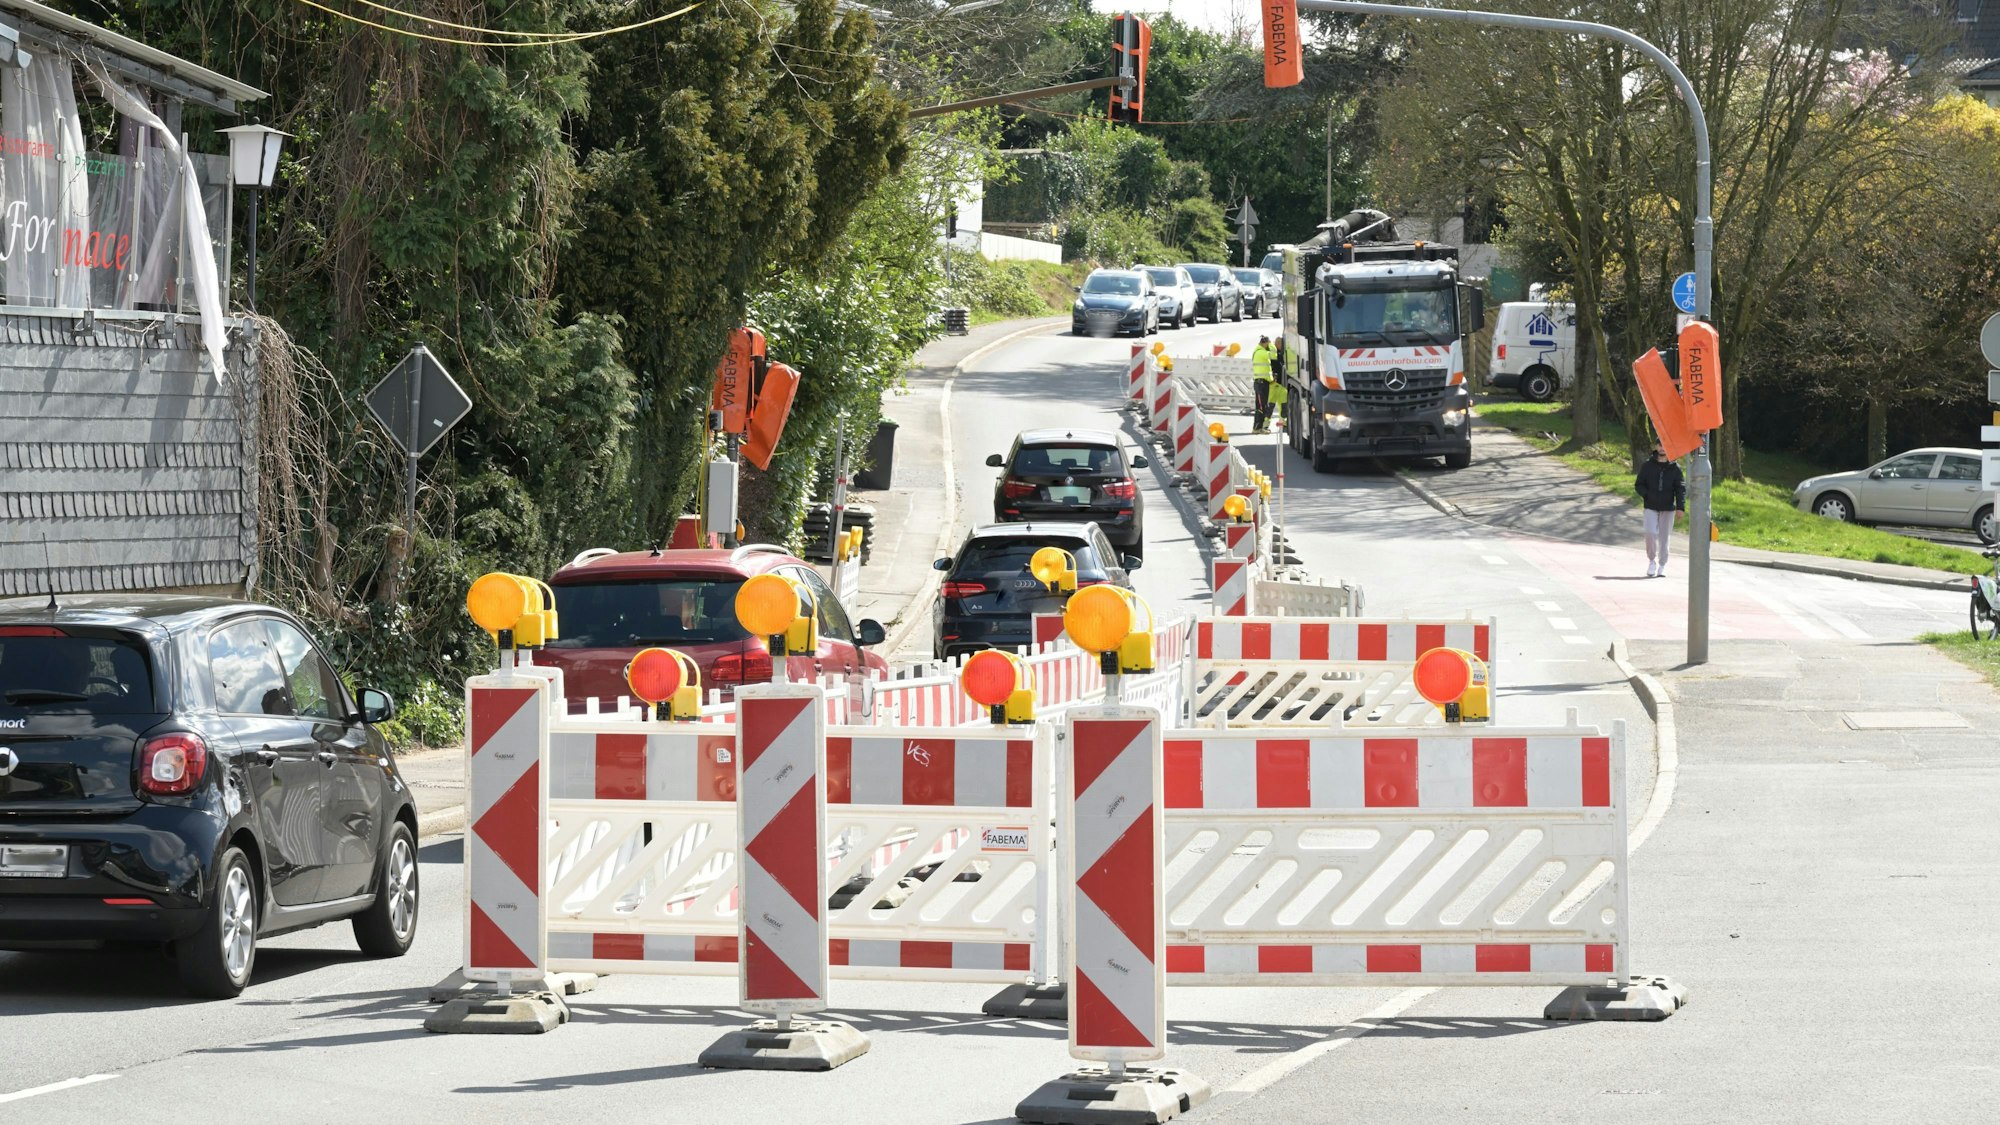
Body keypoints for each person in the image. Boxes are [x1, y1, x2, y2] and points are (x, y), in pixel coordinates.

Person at [1634, 444, 1686, 578]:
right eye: (1660, 445)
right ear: (1656, 447)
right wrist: (1647, 495)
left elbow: (1680, 489)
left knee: (1664, 538)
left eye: (1665, 445)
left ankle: (1662, 565)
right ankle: (1651, 561)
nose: (1662, 448)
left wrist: (1680, 507)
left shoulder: (1675, 468)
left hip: (1668, 508)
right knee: (1650, 533)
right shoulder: (1647, 465)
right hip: (1650, 506)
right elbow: (1639, 484)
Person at [1250, 336, 1276, 433]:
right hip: (1261, 383)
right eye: (1268, 344)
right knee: (1261, 407)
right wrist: (1272, 344)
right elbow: (1274, 355)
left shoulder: (1260, 351)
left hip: (1262, 383)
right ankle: (1257, 428)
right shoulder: (1261, 352)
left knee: (1262, 406)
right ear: (1265, 343)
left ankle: (1259, 428)